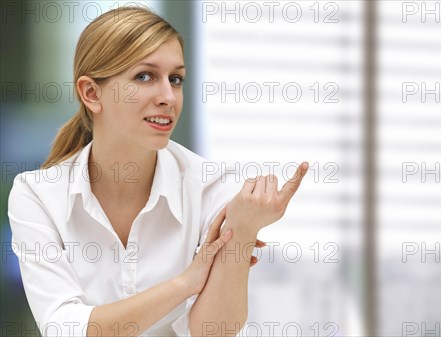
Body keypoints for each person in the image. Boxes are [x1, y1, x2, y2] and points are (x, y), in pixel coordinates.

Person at [7, 6, 308, 337]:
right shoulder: (37, 195)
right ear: (92, 93)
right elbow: (64, 328)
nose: (168, 97)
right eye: (145, 76)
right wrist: (183, 285)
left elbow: (212, 332)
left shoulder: (211, 187)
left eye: (175, 79)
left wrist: (243, 230)